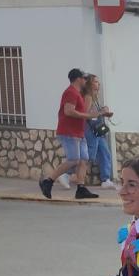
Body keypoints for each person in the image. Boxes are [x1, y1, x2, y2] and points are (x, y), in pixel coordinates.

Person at [40, 68, 111, 201]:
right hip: (69, 131)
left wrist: (99, 113)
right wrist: (87, 115)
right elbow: (68, 111)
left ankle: (81, 188)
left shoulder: (77, 93)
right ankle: (48, 181)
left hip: (78, 132)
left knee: (84, 159)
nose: (86, 81)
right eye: (84, 78)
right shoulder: (71, 92)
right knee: (74, 160)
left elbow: (83, 111)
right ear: (78, 79)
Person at [81, 74, 116, 189]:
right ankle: (69, 172)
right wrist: (102, 112)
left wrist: (103, 111)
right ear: (90, 84)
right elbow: (86, 114)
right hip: (90, 129)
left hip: (97, 130)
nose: (98, 83)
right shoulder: (88, 97)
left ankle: (105, 179)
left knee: (105, 152)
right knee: (90, 155)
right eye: (95, 81)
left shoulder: (95, 97)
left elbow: (94, 112)